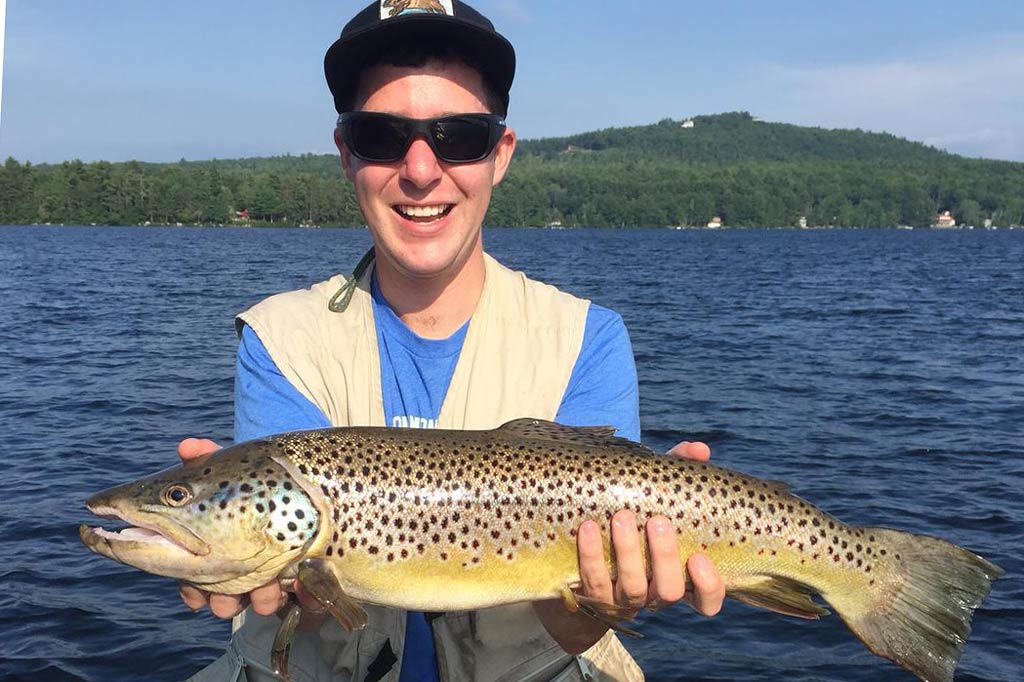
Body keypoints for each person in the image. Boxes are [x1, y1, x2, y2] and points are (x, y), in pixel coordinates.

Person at [182, 2, 724, 680]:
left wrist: (602, 601)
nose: (419, 169)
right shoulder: (280, 339)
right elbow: (307, 602)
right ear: (346, 155)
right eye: (382, 135)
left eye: (458, 136)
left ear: (500, 156)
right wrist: (269, 578)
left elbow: (570, 629)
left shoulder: (587, 339)